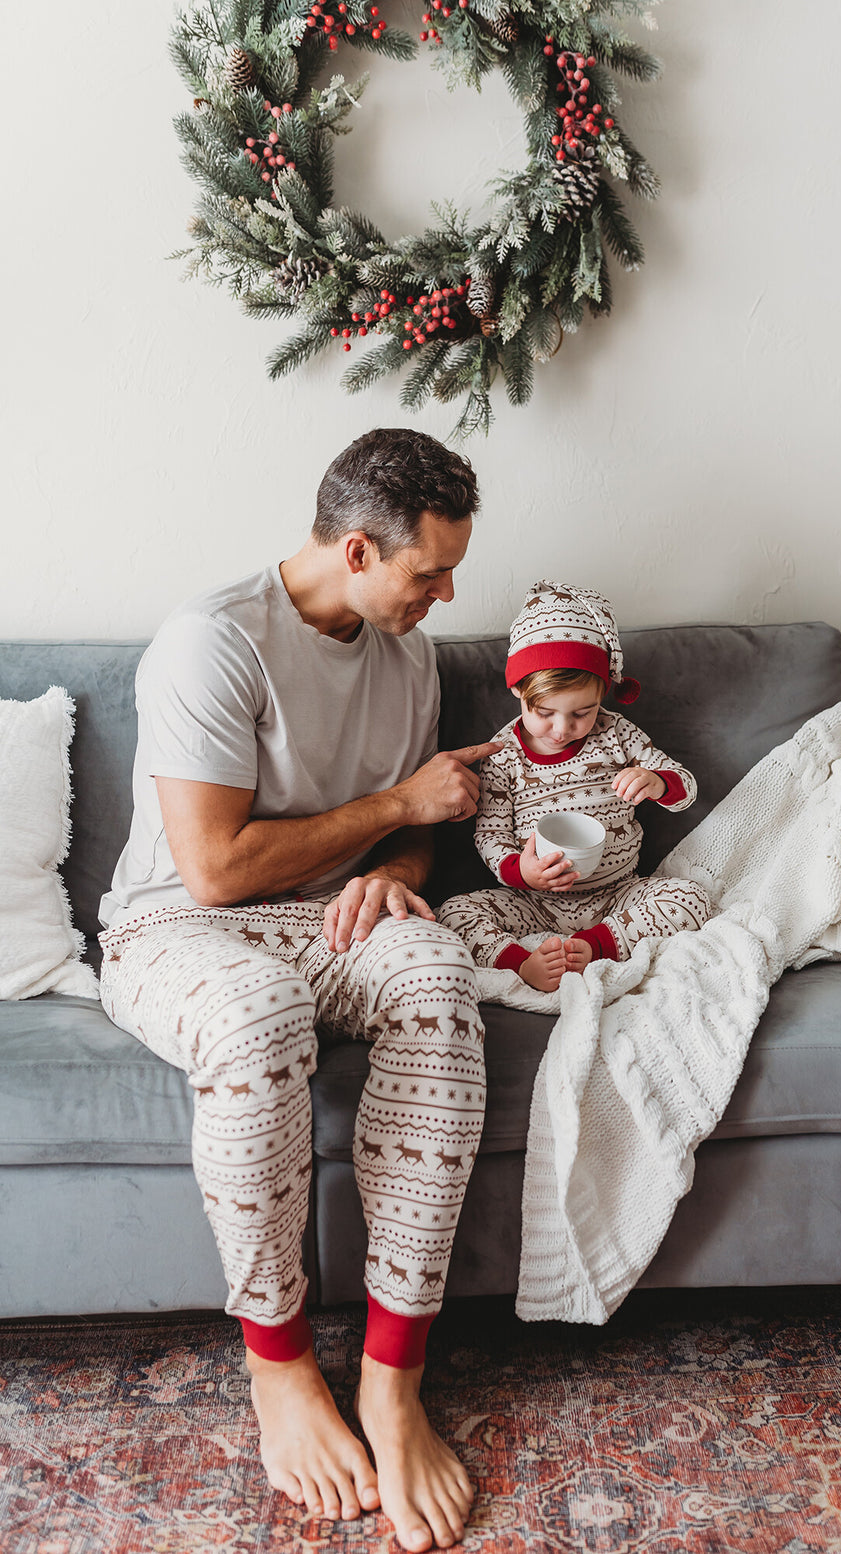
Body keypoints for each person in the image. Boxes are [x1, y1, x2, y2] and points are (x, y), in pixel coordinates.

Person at [97, 427, 502, 1553]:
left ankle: (391, 1378)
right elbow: (215, 870)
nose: (448, 592)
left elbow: (421, 837)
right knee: (257, 1014)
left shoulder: (410, 649)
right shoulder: (212, 643)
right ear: (361, 551)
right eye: (431, 571)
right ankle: (278, 1370)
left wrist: (394, 871)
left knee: (435, 970)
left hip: (328, 916)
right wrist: (394, 816)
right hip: (178, 927)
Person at [437, 581, 712, 991]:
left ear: (603, 692)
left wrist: (656, 782)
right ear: (517, 690)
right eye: (545, 712)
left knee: (692, 898)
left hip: (618, 895)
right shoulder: (503, 754)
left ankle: (593, 946)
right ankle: (524, 964)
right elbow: (490, 834)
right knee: (452, 914)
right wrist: (523, 873)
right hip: (535, 903)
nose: (562, 729)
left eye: (582, 712)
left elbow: (685, 787)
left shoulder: (617, 734)